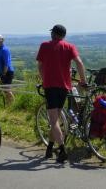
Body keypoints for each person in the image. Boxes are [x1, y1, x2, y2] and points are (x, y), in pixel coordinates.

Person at [36, 24, 86, 163]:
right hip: (65, 87)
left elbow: (40, 65)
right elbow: (80, 63)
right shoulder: (70, 47)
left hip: (50, 87)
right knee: (56, 120)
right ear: (63, 35)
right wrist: (83, 81)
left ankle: (63, 150)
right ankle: (50, 148)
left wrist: (43, 78)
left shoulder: (45, 45)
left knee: (53, 121)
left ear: (54, 34)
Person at [0, 34, 15, 105]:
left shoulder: (4, 50)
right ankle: (9, 105)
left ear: (1, 40)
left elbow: (6, 63)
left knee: (7, 90)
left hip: (7, 72)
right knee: (5, 91)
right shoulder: (0, 49)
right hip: (4, 73)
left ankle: (13, 105)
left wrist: (3, 74)